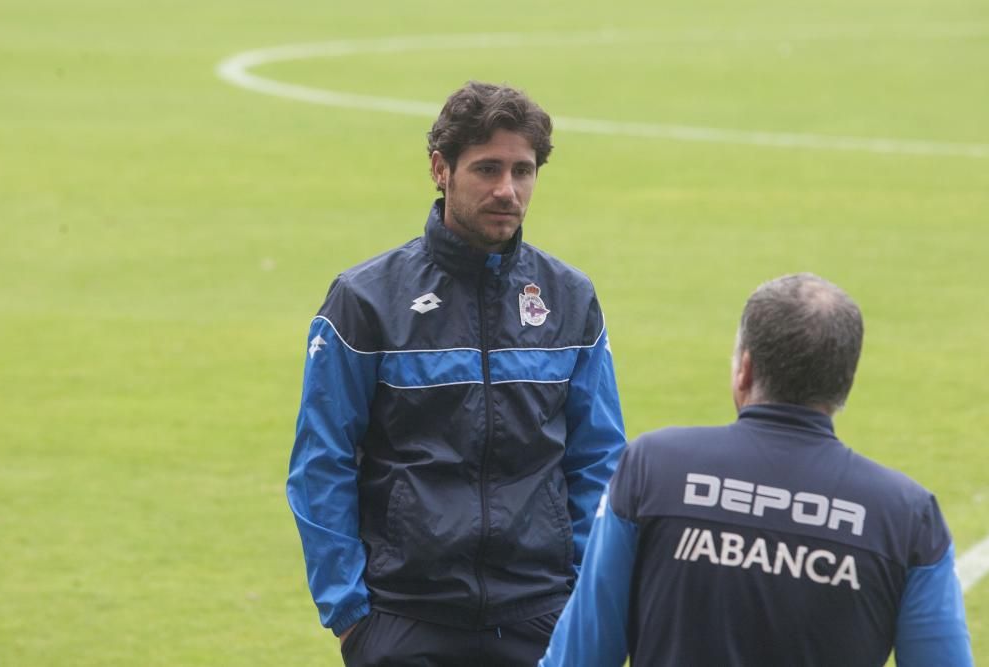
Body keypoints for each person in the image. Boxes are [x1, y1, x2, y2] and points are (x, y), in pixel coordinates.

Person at [287, 81, 626, 666]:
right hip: (405, 618)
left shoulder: (568, 298)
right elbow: (322, 461)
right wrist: (350, 617)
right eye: (487, 169)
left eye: (523, 171)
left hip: (541, 616)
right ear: (440, 169)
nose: (507, 190)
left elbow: (599, 460)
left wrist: (581, 597)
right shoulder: (364, 301)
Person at [540, 273, 973, 667]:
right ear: (845, 384)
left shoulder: (653, 467)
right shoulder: (907, 516)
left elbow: (580, 657)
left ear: (745, 369)